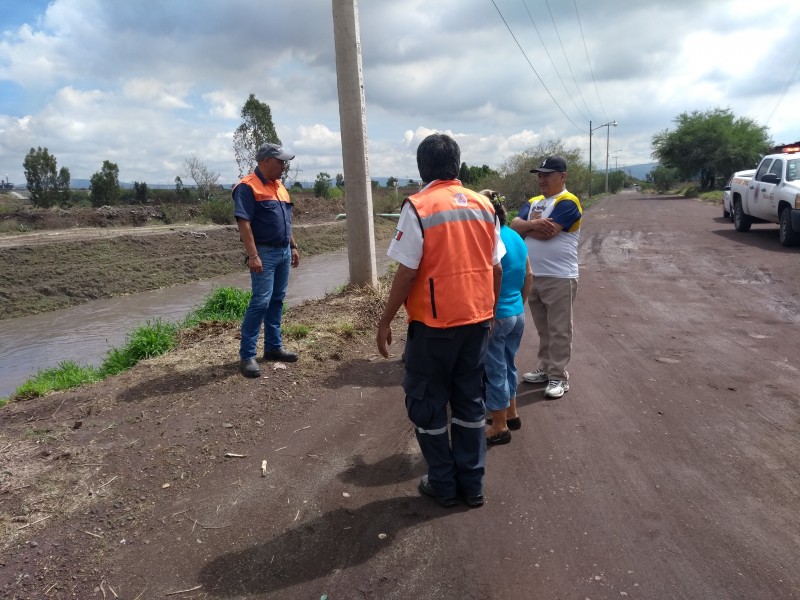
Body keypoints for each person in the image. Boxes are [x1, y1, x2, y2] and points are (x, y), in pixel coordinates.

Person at [377, 133, 504, 509]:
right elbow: (496, 267)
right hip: (476, 322)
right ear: (458, 165)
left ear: (422, 168)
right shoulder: (484, 205)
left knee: (429, 404)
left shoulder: (419, 206)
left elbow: (406, 273)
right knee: (469, 403)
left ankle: (444, 486)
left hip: (434, 328)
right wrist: (491, 310)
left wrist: (385, 321)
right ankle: (473, 486)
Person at [510, 155, 582, 399]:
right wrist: (531, 226)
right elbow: (513, 226)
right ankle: (546, 367)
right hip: (534, 274)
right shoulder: (534, 201)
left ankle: (559, 377)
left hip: (560, 276)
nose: (541, 179)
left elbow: (548, 234)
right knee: (543, 328)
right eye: (539, 174)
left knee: (560, 328)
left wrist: (527, 227)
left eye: (547, 174)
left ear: (562, 176)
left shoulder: (568, 202)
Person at [233, 142, 301, 378]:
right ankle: (247, 355)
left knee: (277, 300)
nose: (284, 166)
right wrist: (253, 256)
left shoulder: (280, 186)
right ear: (265, 162)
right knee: (260, 301)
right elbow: (244, 223)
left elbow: (286, 220)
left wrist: (293, 246)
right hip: (264, 253)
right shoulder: (247, 187)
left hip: (283, 251)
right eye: (280, 161)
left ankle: (273, 347)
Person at [479, 190, 532, 445]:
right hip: (516, 313)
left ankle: (498, 425)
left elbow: (493, 273)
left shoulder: (491, 239)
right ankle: (511, 413)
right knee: (509, 363)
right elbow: (529, 274)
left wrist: (491, 311)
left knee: (494, 370)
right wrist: (519, 305)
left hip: (497, 315)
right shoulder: (516, 237)